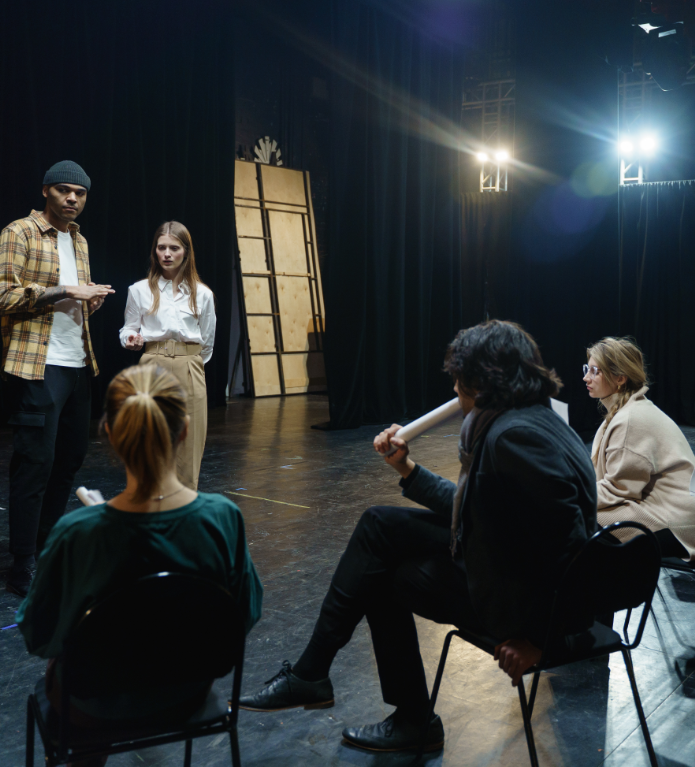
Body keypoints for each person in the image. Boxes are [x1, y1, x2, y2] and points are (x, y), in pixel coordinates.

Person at [237, 320, 598, 753]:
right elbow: (475, 509)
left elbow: (572, 547)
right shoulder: (531, 417)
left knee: (382, 577)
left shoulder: (515, 437)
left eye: (459, 381)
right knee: (378, 526)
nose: (455, 392)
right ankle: (321, 679)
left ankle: (379, 704)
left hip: (525, 609)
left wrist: (541, 642)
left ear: (482, 382)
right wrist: (406, 469)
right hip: (506, 565)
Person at [17, 364, 263, 766]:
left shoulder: (77, 532)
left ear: (110, 434)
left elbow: (39, 635)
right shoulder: (222, 518)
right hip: (188, 692)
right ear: (183, 430)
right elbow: (244, 614)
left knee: (78, 680)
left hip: (92, 706)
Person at [0, 161, 115, 597]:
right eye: (64, 191)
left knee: (69, 462)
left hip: (78, 363)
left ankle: (45, 547)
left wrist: (88, 302)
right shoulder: (19, 232)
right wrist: (65, 291)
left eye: (80, 193)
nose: (73, 199)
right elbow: (0, 296)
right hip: (36, 366)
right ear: (46, 191)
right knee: (34, 467)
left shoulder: (78, 240)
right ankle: (21, 561)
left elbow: (71, 302)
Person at [585, 337, 695, 561]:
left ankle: (597, 591)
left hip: (687, 525)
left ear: (620, 378)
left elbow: (619, 490)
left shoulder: (630, 419)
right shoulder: (627, 410)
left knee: (582, 519)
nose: (586, 377)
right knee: (583, 514)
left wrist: (571, 495)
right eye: (586, 369)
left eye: (594, 371)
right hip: (681, 514)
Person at [120, 221, 216, 490]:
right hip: (153, 362)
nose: (167, 254)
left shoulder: (203, 294)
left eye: (174, 248)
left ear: (186, 251)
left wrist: (190, 362)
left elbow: (207, 340)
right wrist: (130, 338)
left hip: (190, 364)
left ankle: (183, 507)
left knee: (190, 440)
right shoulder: (138, 290)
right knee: (149, 437)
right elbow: (129, 327)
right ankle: (147, 504)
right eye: (161, 247)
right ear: (155, 251)